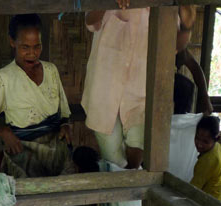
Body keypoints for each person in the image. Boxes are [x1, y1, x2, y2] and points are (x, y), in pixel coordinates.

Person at [81, 1, 212, 169]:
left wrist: (186, 27)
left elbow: (174, 47)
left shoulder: (163, 6)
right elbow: (90, 20)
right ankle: (123, 185)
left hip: (141, 97)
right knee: (113, 163)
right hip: (104, 93)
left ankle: (130, 182)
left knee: (135, 157)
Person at [0, 14, 73, 178]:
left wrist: (65, 125)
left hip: (55, 148)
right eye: (25, 47)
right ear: (12, 42)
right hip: (22, 149)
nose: (32, 53)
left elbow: (63, 112)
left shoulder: (51, 70)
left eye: (37, 46)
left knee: (66, 192)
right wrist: (4, 132)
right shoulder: (3, 78)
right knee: (30, 198)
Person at [190, 115, 221, 204]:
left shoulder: (208, 160)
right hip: (219, 197)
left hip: (210, 203)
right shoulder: (217, 146)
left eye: (205, 141)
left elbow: (193, 188)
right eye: (197, 138)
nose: (199, 144)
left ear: (215, 139)